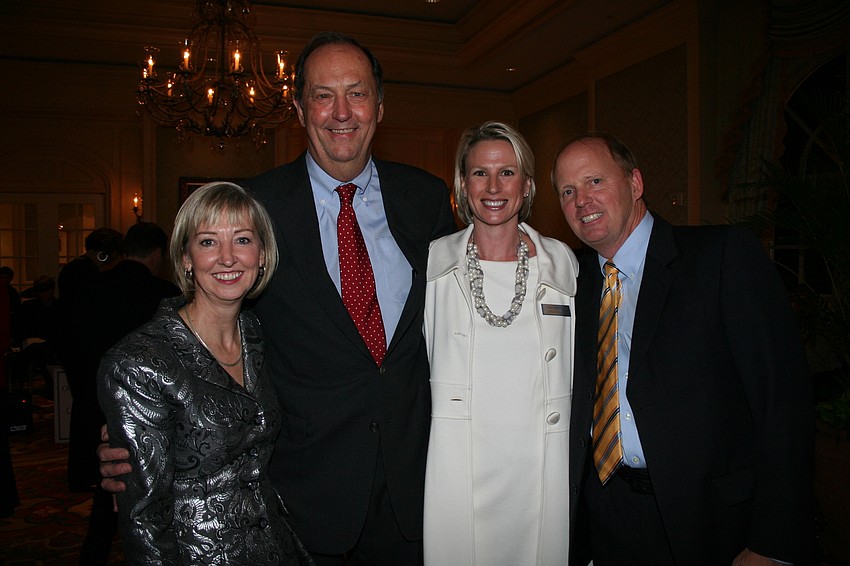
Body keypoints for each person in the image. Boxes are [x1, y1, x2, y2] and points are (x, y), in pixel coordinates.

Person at [99, 32, 457, 565]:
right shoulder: (255, 207)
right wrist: (143, 426)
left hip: (418, 489)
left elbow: (461, 322)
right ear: (299, 109)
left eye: (357, 93)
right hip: (303, 499)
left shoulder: (425, 198)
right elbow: (208, 326)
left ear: (380, 107)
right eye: (322, 95)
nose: (341, 112)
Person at [552, 132, 815, 565]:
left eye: (595, 181)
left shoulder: (721, 257)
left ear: (635, 183)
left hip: (711, 523)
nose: (582, 201)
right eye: (567, 191)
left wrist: (772, 542)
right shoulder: (570, 282)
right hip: (607, 517)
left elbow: (782, 403)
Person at [97, 182, 312, 565]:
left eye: (242, 239)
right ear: (185, 258)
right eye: (208, 242)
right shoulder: (139, 362)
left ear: (262, 254)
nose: (227, 258)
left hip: (276, 546)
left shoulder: (257, 335)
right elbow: (143, 521)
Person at [423, 121, 577, 566]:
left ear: (526, 184)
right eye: (480, 173)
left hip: (540, 464)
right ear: (463, 183)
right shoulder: (432, 264)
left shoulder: (563, 264)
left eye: (507, 173)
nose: (493, 187)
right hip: (459, 464)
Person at [78, 222, 181, 565]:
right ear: (158, 255)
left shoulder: (93, 287)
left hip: (95, 397)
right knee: (133, 486)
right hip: (152, 410)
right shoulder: (166, 295)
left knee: (110, 484)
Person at [57, 227, 124, 491]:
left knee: (84, 410)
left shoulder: (75, 270)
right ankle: (85, 472)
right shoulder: (84, 273)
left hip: (76, 350)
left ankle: (83, 472)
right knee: (87, 411)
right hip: (82, 353)